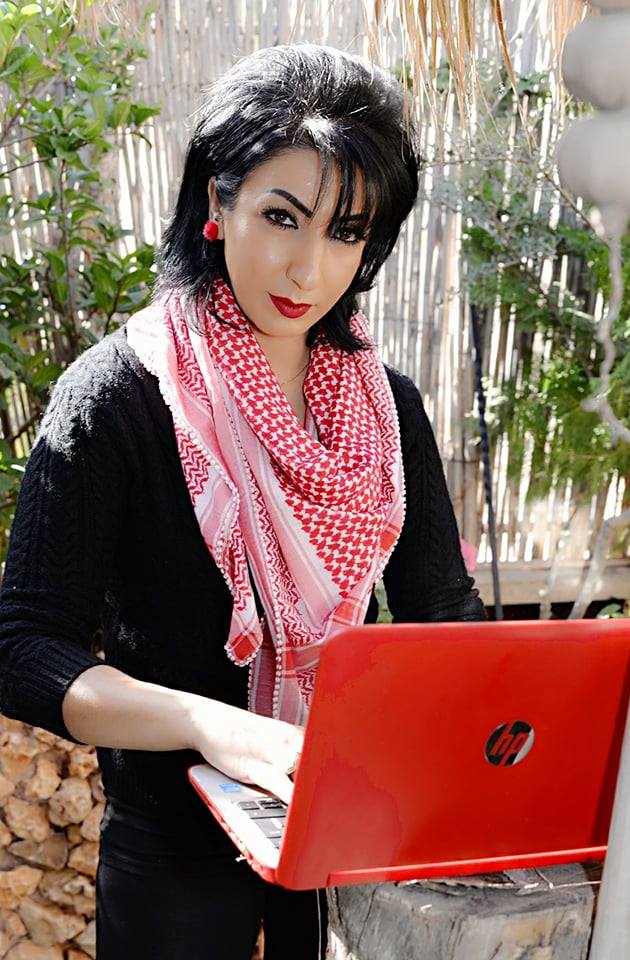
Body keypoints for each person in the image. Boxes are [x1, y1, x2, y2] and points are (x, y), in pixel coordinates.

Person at [0, 43, 486, 959]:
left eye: (346, 232)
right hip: (173, 856)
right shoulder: (119, 397)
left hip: (347, 830)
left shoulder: (387, 409)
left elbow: (442, 616)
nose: (307, 270)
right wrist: (214, 726)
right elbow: (24, 648)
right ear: (215, 202)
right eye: (280, 216)